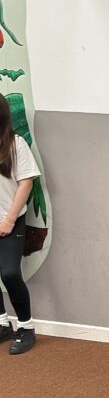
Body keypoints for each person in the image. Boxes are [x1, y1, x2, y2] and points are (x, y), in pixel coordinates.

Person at [0, 94, 41, 355]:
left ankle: (26, 328)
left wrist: (9, 220)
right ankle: (2, 324)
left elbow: (26, 183)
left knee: (10, 273)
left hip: (10, 220)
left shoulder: (16, 144)